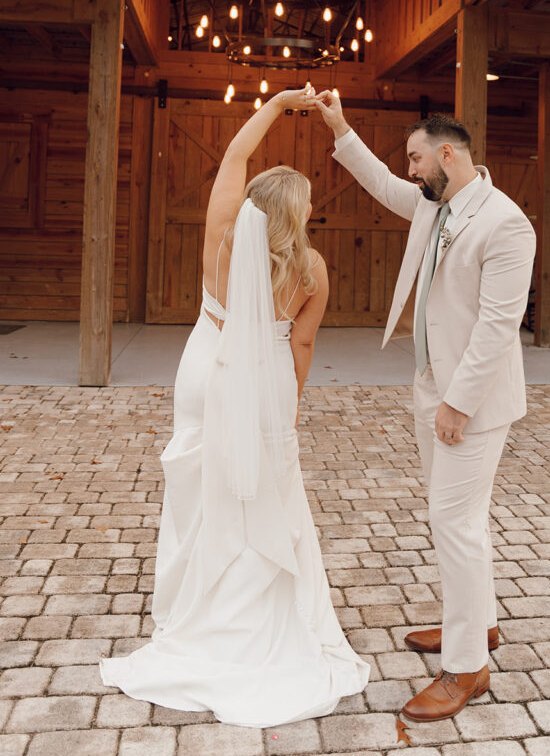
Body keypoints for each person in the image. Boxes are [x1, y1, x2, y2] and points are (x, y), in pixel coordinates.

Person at [100, 87, 369, 726]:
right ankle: (260, 609)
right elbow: (300, 342)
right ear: (298, 217)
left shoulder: (221, 236)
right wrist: (289, 405)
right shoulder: (313, 270)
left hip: (207, 367)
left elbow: (234, 152)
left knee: (199, 485)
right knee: (268, 489)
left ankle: (196, 605)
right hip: (268, 377)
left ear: (253, 208)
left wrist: (277, 105)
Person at [315, 93, 536, 723]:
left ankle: (467, 666)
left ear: (447, 153)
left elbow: (498, 327)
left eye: (415, 158)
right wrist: (338, 126)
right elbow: (383, 185)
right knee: (459, 521)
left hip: (472, 402)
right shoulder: (433, 204)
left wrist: (458, 406)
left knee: (453, 523)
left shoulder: (505, 222)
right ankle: (479, 625)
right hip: (428, 387)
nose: (408, 170)